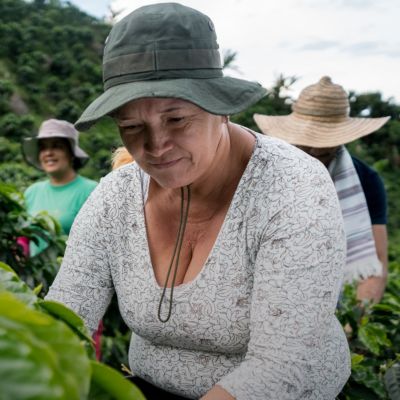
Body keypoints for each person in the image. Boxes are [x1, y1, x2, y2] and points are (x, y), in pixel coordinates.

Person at [46, 4, 350, 399]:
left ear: (219, 108)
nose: (155, 147)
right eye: (132, 127)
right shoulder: (117, 197)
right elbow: (67, 311)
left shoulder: (292, 191)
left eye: (177, 119)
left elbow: (282, 368)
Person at [254, 76, 389, 303]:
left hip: (332, 297)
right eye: (307, 142)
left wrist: (355, 317)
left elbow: (376, 261)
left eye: (325, 143)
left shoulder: (366, 181)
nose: (316, 149)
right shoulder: (265, 168)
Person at [22, 118, 97, 256]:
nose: (48, 153)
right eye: (43, 147)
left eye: (57, 146)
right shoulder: (32, 192)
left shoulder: (91, 191)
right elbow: (22, 236)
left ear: (71, 153)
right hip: (32, 276)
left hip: (72, 274)